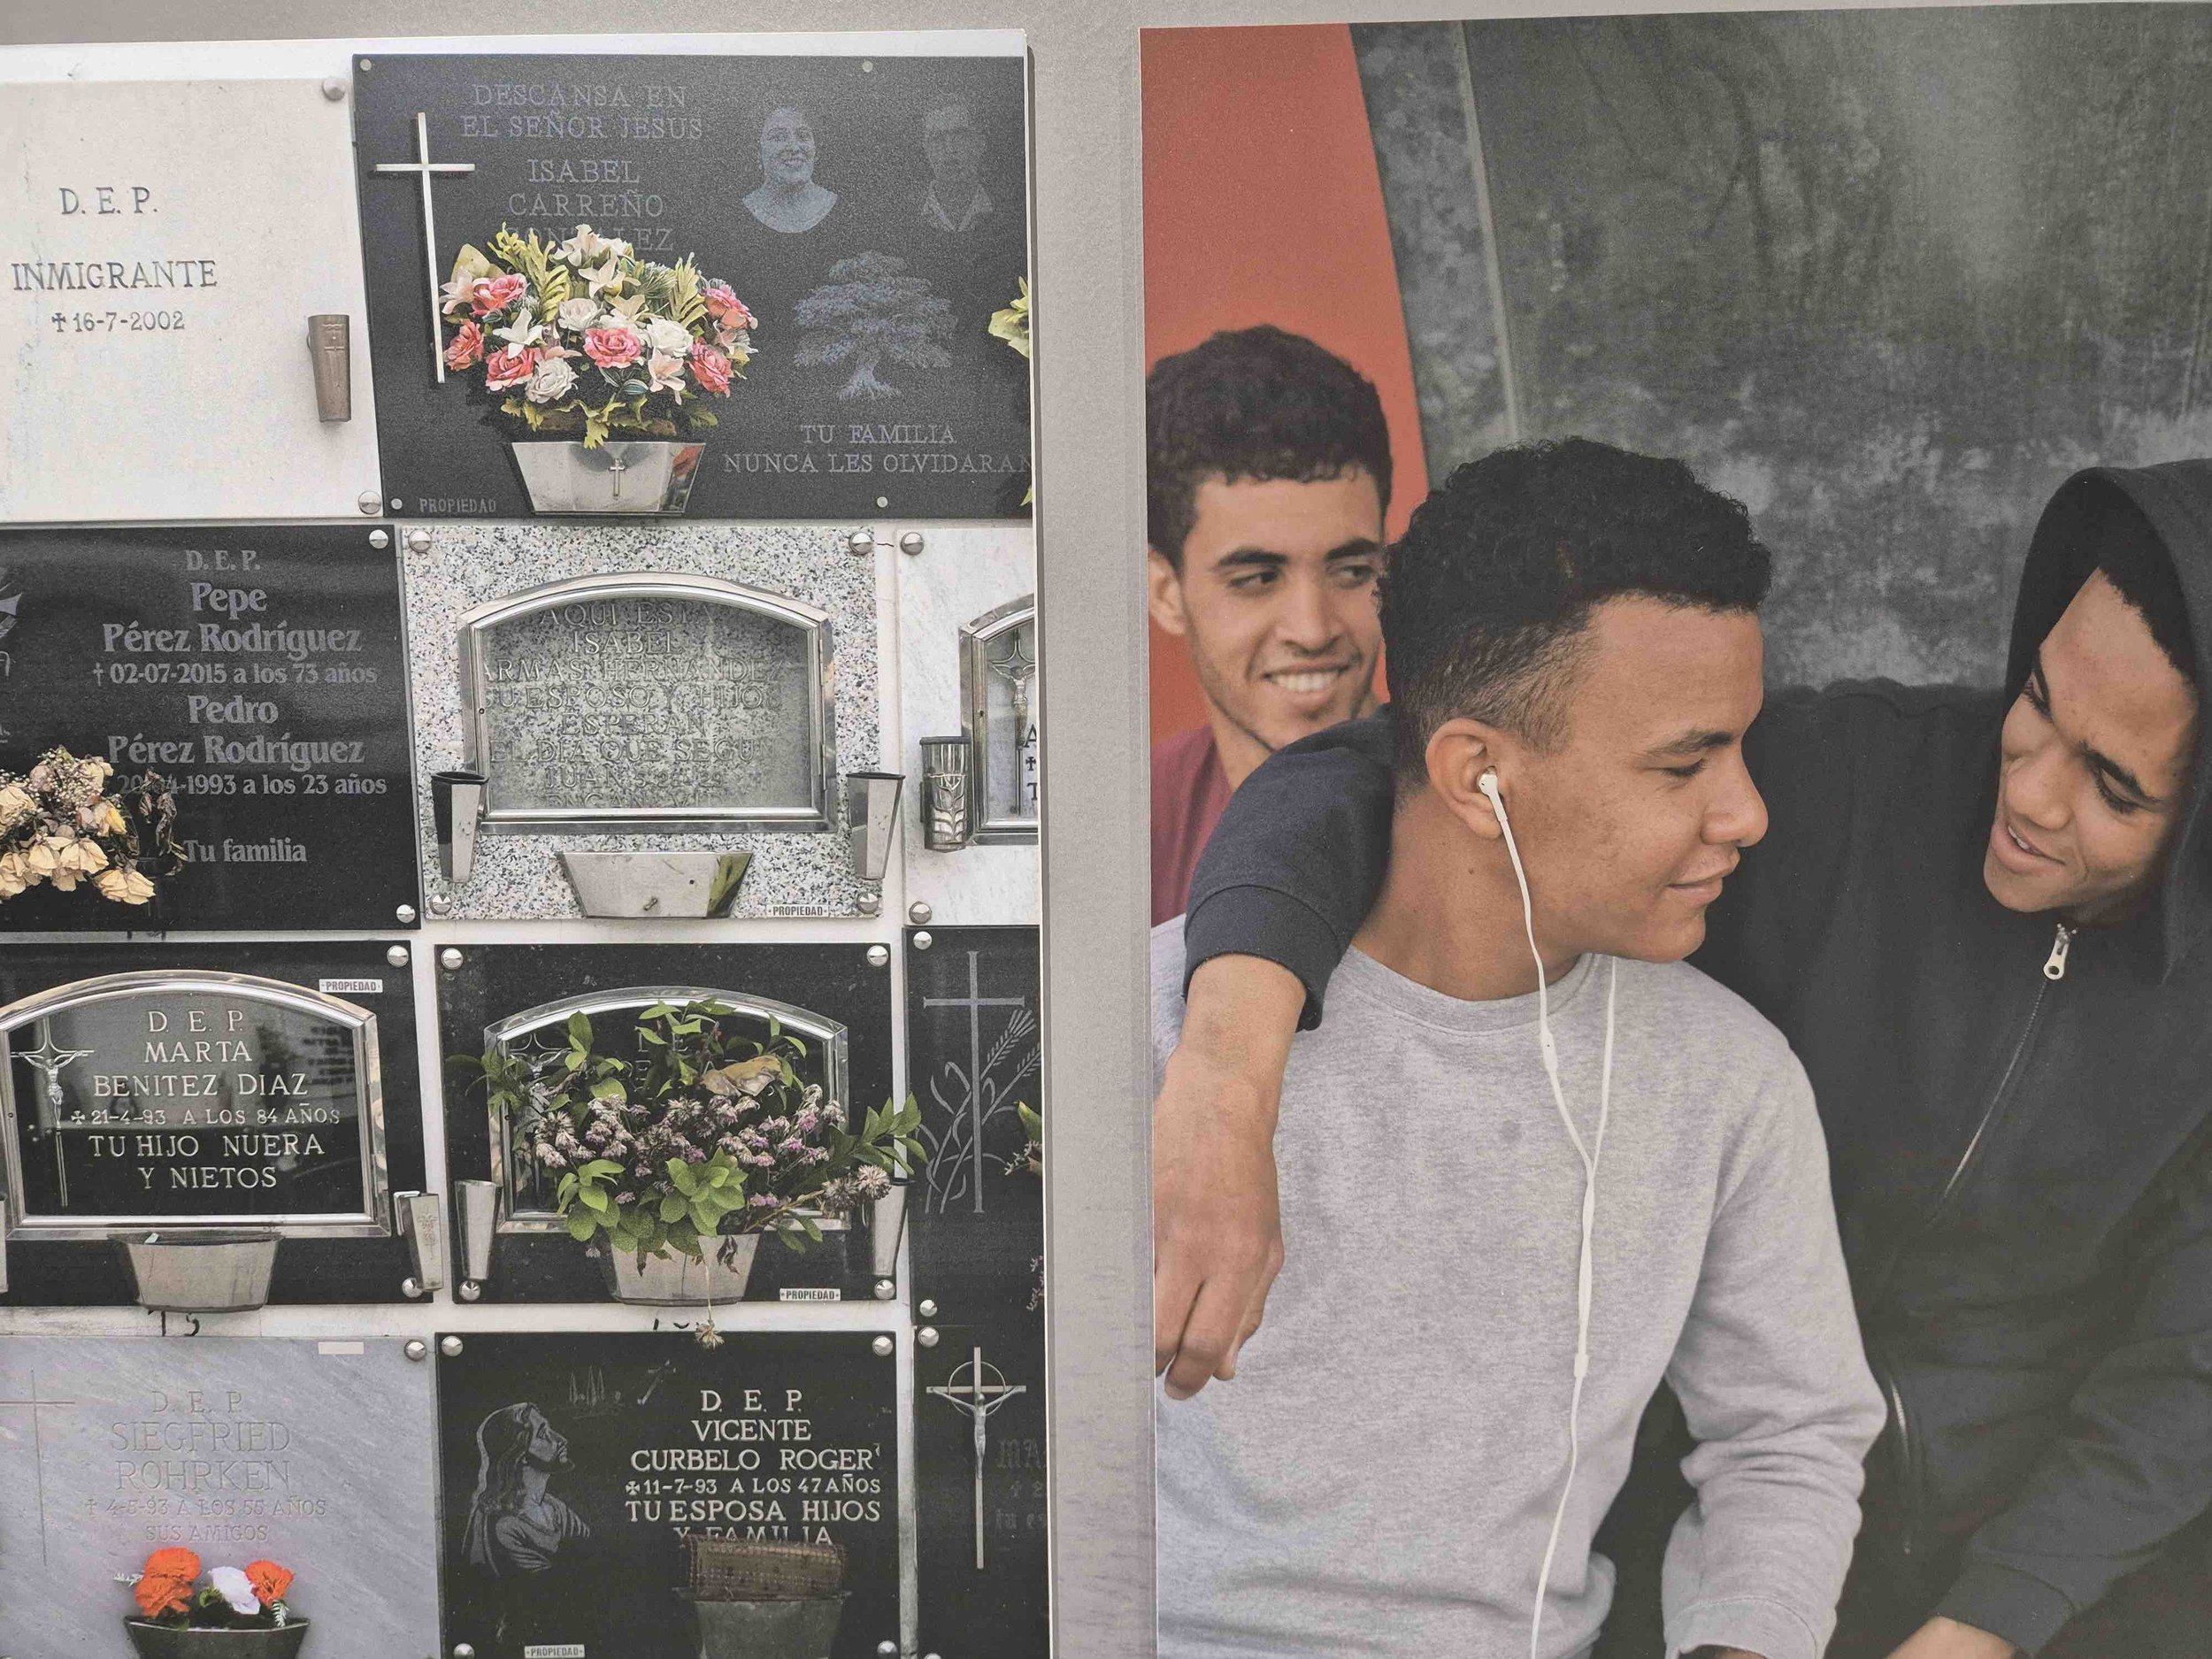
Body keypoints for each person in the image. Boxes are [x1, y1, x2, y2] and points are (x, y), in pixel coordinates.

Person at [1153, 459, 2212, 1658]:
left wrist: (1995, 1616)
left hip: (2056, 1564)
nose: (2027, 781)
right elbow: (1387, 761)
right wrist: (1229, 1065)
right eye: (2035, 696)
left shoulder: (1723, 1078)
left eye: (2116, 783)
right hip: (1665, 1552)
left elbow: (2185, 1368)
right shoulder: (1866, 775)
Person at [1153, 437, 1883, 1659]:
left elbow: (1789, 1438)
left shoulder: (1728, 1078)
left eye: (1740, 749)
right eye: (1685, 761)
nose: (1746, 811)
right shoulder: (1162, 1025)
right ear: (1475, 773)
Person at [1146, 326, 1392, 924]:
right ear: (1166, 593)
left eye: (1352, 570)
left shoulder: (1477, 811)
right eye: (1257, 578)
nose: (1312, 630)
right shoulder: (1130, 828)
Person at [743, 98, 837, 234]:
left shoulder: (849, 211)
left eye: (803, 136)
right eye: (778, 137)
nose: (793, 147)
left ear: (816, 148)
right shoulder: (734, 217)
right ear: (757, 152)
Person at [918, 96, 994, 234]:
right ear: (926, 149)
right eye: (937, 139)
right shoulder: (900, 217)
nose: (949, 149)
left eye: (960, 136)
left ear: (980, 144)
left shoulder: (1013, 213)